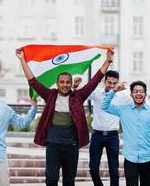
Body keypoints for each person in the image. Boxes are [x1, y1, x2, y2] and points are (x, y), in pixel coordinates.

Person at [16, 48, 114, 186]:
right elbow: (32, 81)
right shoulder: (50, 95)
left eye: (68, 82)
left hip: (71, 146)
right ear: (57, 84)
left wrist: (108, 61)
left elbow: (95, 81)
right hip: (53, 146)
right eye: (62, 82)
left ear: (70, 83)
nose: (65, 85)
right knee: (51, 179)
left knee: (69, 181)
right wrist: (22, 60)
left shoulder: (78, 97)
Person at [73, 70, 132, 186]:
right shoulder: (96, 93)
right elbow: (79, 95)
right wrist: (75, 85)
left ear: (117, 83)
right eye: (109, 82)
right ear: (104, 81)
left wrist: (127, 88)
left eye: (114, 83)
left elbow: (137, 100)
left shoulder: (122, 96)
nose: (111, 86)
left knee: (114, 170)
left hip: (112, 137)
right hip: (97, 136)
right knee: (93, 169)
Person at [101, 81, 150, 186]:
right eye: (135, 91)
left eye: (141, 91)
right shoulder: (123, 110)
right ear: (131, 95)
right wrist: (114, 90)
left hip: (147, 158)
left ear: (145, 94)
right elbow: (104, 106)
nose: (138, 94)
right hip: (130, 159)